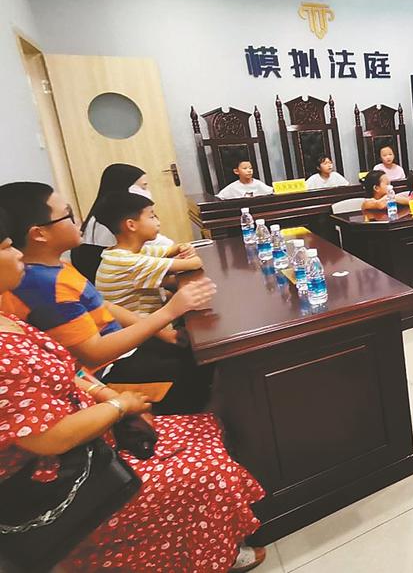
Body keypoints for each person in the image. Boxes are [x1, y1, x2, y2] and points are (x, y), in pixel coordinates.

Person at [0, 206, 268, 573]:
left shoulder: (12, 311)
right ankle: (204, 553)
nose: (16, 253)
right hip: (58, 481)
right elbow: (48, 439)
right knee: (205, 459)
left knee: (208, 426)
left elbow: (71, 368)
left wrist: (108, 398)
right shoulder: (32, 298)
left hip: (92, 426)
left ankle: (219, 536)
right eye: (6, 247)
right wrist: (120, 405)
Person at [0, 182, 216, 415]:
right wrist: (170, 311)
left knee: (197, 348)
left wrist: (163, 332)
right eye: (69, 215)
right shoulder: (42, 286)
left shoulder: (55, 267)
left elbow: (103, 305)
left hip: (122, 349)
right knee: (200, 367)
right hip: (106, 372)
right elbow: (95, 353)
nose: (79, 220)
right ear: (39, 233)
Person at [94, 193, 204, 316]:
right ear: (131, 225)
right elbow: (195, 263)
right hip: (145, 326)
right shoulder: (127, 262)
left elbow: (173, 249)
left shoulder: (126, 253)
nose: (158, 222)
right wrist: (188, 255)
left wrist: (184, 248)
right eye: (152, 217)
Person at [81, 163, 173, 248]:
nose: (147, 192)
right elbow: (163, 246)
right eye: (143, 187)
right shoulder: (120, 220)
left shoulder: (97, 216)